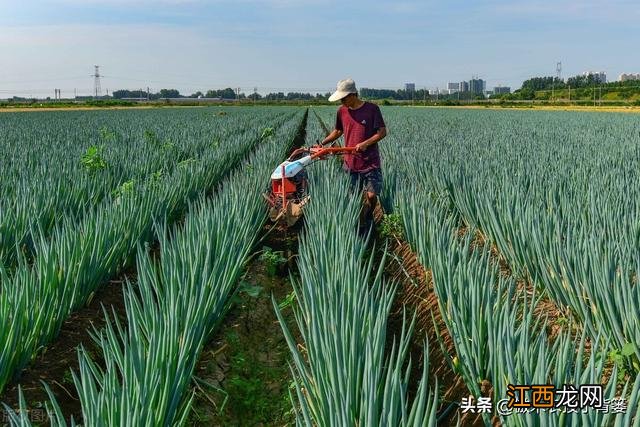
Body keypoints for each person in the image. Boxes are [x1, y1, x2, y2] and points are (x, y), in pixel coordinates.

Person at [320, 78, 387, 235]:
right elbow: (337, 131)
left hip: (370, 161)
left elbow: (382, 132)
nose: (342, 102)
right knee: (354, 197)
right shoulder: (341, 111)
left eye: (344, 98)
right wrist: (322, 143)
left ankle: (369, 216)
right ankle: (359, 224)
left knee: (371, 195)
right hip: (350, 162)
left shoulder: (372, 109)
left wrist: (366, 143)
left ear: (353, 94)